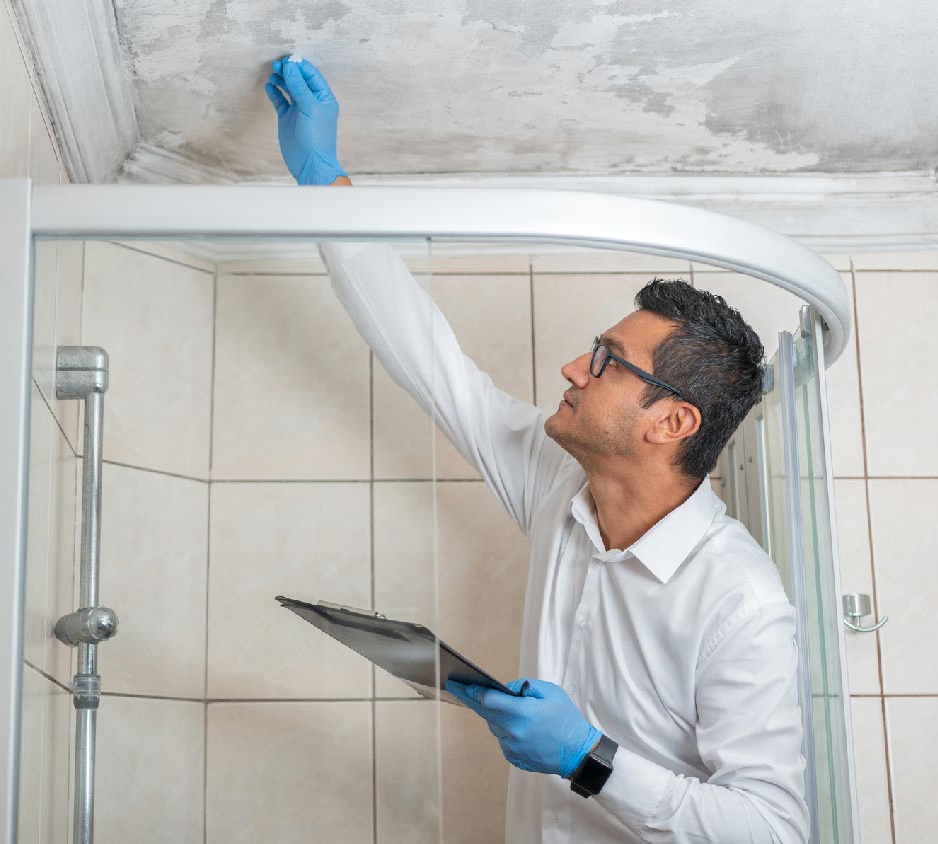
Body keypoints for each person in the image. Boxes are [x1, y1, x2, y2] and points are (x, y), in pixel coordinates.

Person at [265, 57, 810, 843]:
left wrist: (590, 758)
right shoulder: (560, 486)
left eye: (604, 361)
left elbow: (776, 830)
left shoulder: (739, 604)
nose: (570, 369)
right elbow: (432, 363)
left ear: (672, 423)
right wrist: (325, 183)